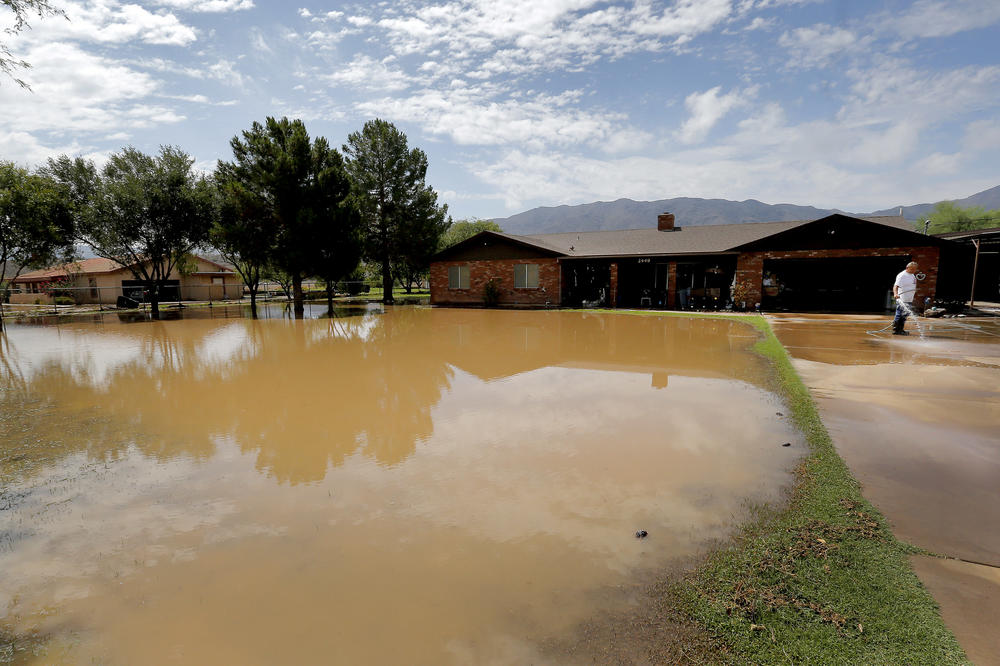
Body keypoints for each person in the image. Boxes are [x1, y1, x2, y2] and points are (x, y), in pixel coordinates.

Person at [891, 261, 919, 335]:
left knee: (905, 314)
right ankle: (896, 329)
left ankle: (900, 329)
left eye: (915, 269)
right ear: (907, 267)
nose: (914, 270)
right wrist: (895, 294)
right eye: (912, 269)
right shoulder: (902, 275)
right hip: (902, 298)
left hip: (909, 298)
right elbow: (895, 286)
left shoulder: (912, 275)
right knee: (900, 313)